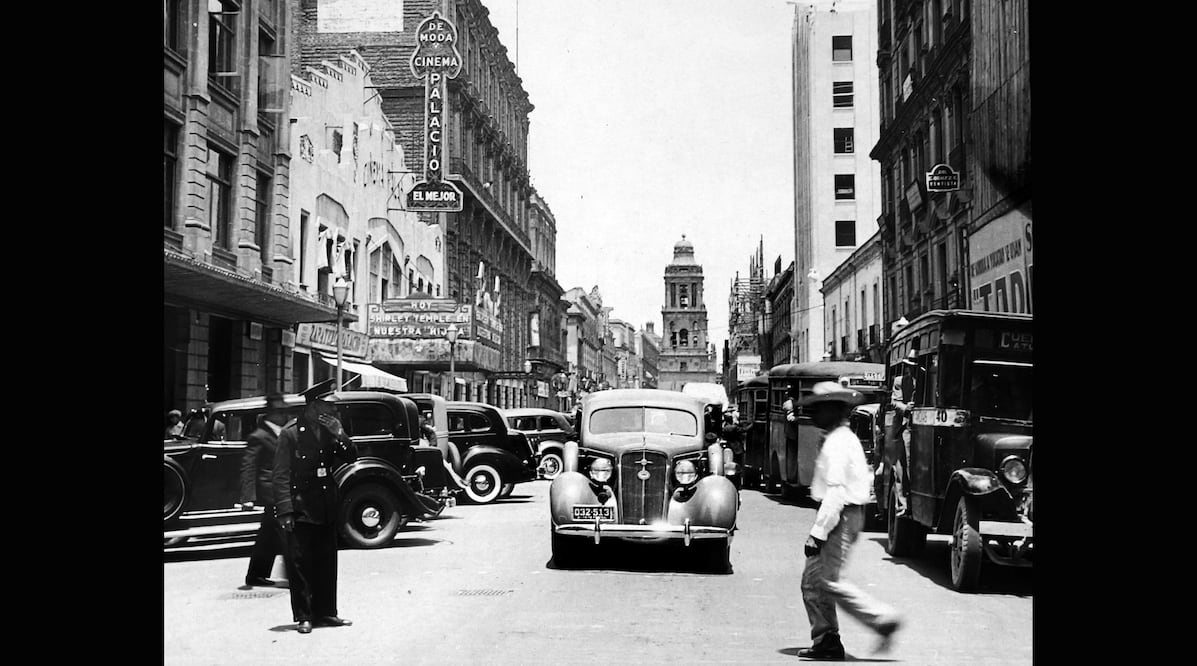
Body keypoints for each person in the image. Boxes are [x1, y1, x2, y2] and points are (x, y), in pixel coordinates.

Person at [798, 381, 902, 659]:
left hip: (839, 516)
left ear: (834, 410)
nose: (815, 415)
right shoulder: (839, 438)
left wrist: (817, 532)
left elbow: (836, 492)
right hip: (842, 515)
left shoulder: (838, 443)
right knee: (812, 582)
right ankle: (826, 640)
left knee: (829, 582)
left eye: (820, 409)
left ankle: (881, 617)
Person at [273, 380, 357, 634]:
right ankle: (304, 615)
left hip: (325, 504)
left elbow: (351, 456)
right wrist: (285, 511)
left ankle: (327, 612)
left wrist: (340, 434)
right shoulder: (290, 433)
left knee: (326, 561)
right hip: (301, 506)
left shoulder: (331, 431)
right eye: (328, 407)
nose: (333, 412)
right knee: (301, 564)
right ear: (313, 407)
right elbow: (281, 475)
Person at [239, 393, 290, 588]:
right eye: (280, 412)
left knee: (267, 536)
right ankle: (294, 576)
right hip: (271, 492)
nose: (283, 415)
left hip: (280, 489)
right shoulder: (258, 436)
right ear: (271, 414)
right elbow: (249, 467)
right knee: (286, 532)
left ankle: (256, 575)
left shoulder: (282, 432)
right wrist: (247, 497)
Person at [884, 350, 919, 517]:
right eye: (910, 366)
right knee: (902, 467)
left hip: (920, 426)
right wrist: (907, 408)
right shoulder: (900, 381)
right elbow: (895, 402)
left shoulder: (926, 379)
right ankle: (904, 504)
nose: (912, 369)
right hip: (905, 427)